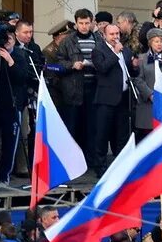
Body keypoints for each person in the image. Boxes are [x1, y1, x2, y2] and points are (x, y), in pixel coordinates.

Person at [55, 9, 101, 164]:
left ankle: (91, 159)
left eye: (87, 23)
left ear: (91, 23)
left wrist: (98, 64)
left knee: (92, 125)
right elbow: (59, 62)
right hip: (74, 87)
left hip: (94, 86)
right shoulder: (68, 41)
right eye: (80, 23)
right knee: (73, 125)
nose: (83, 26)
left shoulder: (98, 39)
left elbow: (104, 58)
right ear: (75, 23)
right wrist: (72, 65)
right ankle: (72, 160)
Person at [0, 29, 28, 185]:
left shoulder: (19, 56)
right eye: (5, 39)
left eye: (10, 38)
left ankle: (4, 176)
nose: (8, 41)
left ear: (15, 40)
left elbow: (22, 78)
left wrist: (10, 62)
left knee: (9, 143)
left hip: (12, 104)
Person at [91, 23, 133, 174]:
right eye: (112, 34)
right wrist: (115, 53)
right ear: (104, 36)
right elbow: (102, 68)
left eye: (117, 34)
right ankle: (100, 167)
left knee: (122, 134)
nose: (115, 37)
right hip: (106, 99)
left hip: (123, 97)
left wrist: (134, 65)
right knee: (103, 133)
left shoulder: (126, 50)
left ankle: (121, 164)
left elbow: (129, 70)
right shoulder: (98, 50)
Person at [130, 28, 162, 140]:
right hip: (148, 105)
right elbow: (138, 79)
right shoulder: (142, 58)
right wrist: (150, 95)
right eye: (156, 41)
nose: (159, 44)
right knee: (148, 138)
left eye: (161, 41)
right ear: (150, 43)